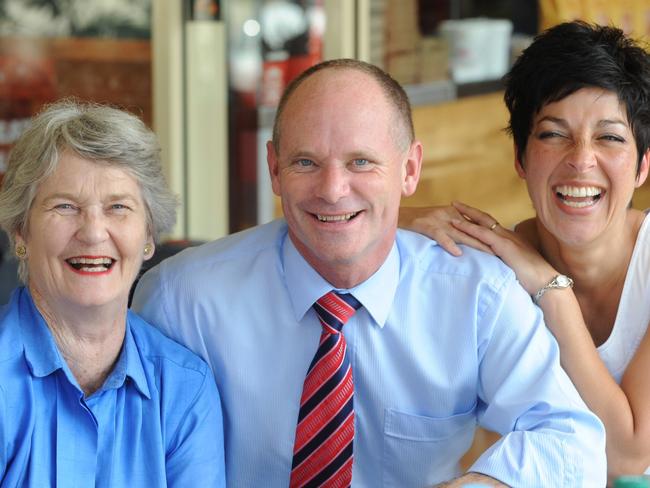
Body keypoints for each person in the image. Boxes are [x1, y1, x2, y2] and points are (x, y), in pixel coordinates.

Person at [132, 59, 605, 487]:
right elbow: (132, 456)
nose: (333, 190)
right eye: (305, 163)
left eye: (361, 162)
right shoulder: (181, 299)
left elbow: (572, 441)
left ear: (410, 169)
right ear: (274, 169)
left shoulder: (477, 295)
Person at [400, 21, 650, 483]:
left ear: (642, 166)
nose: (581, 159)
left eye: (610, 137)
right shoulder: (494, 267)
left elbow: (626, 456)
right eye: (554, 134)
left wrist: (552, 293)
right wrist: (406, 214)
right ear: (520, 157)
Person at [0, 100, 226, 487]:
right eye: (65, 206)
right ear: (21, 232)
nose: (92, 232)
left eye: (118, 207)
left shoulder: (183, 388)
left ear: (149, 236)